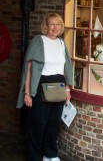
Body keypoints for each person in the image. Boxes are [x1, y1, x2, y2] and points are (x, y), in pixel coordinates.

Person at [17, 12, 72, 161]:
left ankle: (50, 155)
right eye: (52, 24)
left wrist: (67, 89)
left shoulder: (61, 43)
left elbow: (66, 66)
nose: (55, 27)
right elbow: (28, 69)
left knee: (53, 124)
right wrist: (27, 93)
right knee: (37, 124)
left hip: (59, 86)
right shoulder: (38, 41)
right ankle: (34, 157)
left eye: (58, 24)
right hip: (41, 86)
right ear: (46, 26)